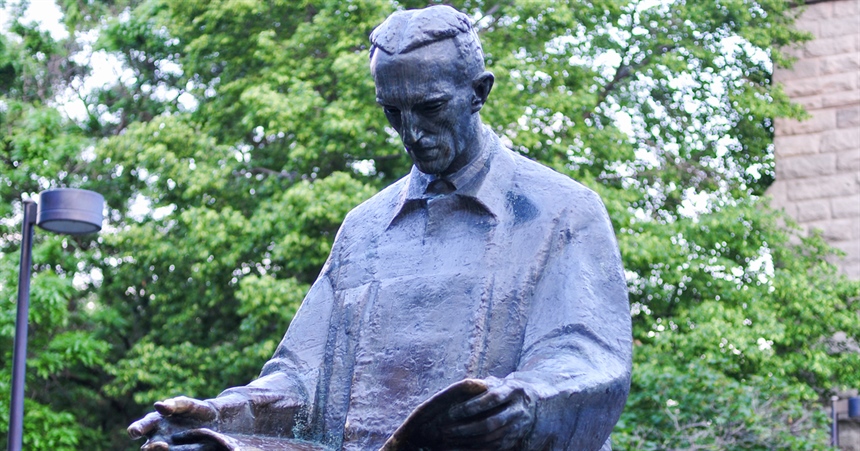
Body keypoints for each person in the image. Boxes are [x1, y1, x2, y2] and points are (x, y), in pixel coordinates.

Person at [128, 5, 632, 450]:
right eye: (393, 112)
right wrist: (219, 416)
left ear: (479, 92)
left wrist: (525, 406)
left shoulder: (561, 211)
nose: (412, 134)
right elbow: (301, 383)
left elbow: (587, 362)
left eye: (431, 108)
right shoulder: (365, 228)